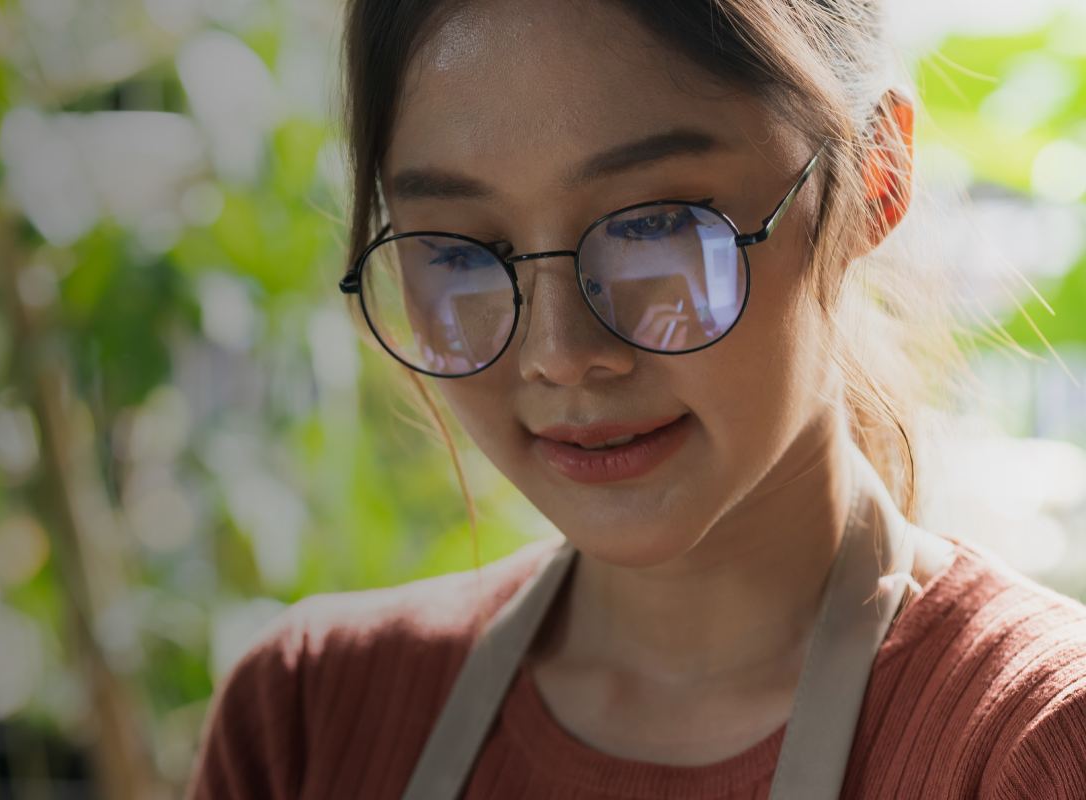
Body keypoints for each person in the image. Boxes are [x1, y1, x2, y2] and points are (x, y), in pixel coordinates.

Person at [188, 0, 1086, 797]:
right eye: (460, 250)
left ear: (874, 176)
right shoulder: (306, 723)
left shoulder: (1031, 743)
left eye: (656, 226)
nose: (561, 356)